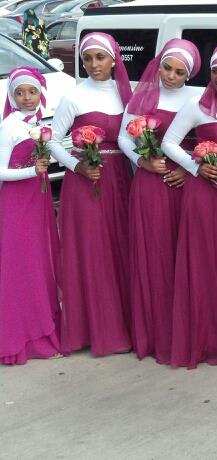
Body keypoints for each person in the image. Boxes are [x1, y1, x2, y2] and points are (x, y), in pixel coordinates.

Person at [161, 42, 217, 369]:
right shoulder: (197, 105)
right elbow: (168, 142)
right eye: (215, 71)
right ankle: (203, 338)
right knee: (204, 263)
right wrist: (194, 167)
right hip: (203, 191)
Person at [48, 32, 133, 356]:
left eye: (100, 57)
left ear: (114, 59)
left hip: (119, 181)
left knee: (118, 250)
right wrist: (76, 166)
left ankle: (124, 326)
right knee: (92, 252)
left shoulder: (126, 94)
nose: (94, 64)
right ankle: (97, 330)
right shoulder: (75, 96)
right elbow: (53, 139)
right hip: (86, 183)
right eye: (88, 58)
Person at [117, 38, 201, 365]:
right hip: (150, 185)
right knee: (152, 255)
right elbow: (124, 136)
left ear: (189, 75)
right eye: (167, 67)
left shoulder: (195, 100)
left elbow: (200, 142)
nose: (170, 75)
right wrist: (141, 161)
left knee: (180, 258)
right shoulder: (143, 96)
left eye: (180, 71)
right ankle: (152, 333)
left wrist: (188, 171)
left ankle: (182, 331)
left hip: (182, 186)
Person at [0, 66, 61, 364]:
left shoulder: (38, 123)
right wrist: (31, 170)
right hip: (16, 204)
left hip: (38, 199)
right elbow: (0, 171)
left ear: (41, 93)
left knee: (39, 262)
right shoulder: (9, 126)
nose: (27, 97)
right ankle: (20, 336)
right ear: (12, 96)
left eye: (32, 91)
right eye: (20, 93)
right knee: (20, 266)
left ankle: (41, 330)